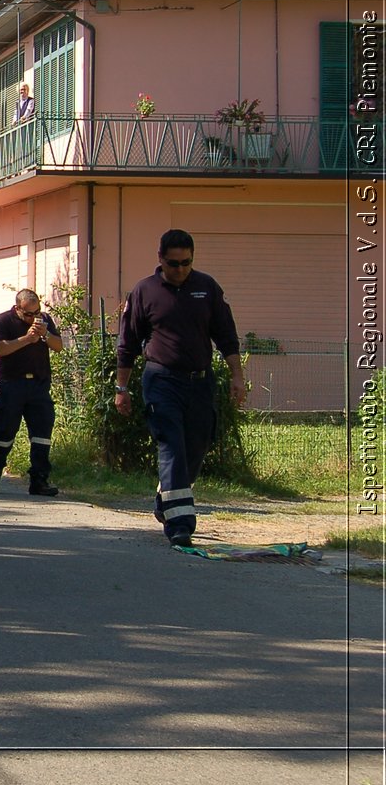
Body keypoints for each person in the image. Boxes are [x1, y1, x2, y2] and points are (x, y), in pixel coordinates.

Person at [115, 229, 246, 547]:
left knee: (195, 447)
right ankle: (180, 524)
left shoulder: (206, 287)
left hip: (200, 382)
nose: (180, 270)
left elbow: (226, 334)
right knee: (170, 445)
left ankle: (167, 496)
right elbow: (127, 343)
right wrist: (122, 387)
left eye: (186, 262)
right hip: (161, 380)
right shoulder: (145, 291)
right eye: (174, 264)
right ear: (160, 258)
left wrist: (236, 377)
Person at [0, 289, 64, 496]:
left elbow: (59, 346)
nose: (33, 317)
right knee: (4, 431)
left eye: (37, 312)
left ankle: (39, 480)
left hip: (38, 385)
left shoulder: (44, 320)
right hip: (12, 384)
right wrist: (27, 339)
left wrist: (44, 334)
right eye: (29, 314)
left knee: (42, 433)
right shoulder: (4, 321)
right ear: (17, 308)